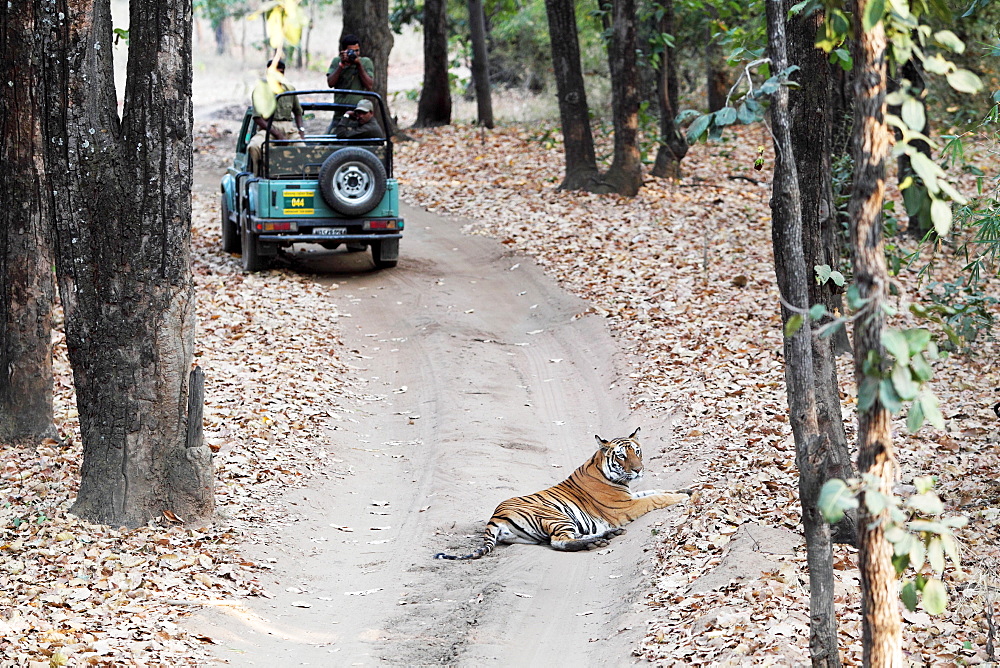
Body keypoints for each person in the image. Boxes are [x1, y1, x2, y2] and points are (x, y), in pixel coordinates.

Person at [247, 59, 305, 176]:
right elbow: (257, 118)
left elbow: (298, 112)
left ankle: (301, 177)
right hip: (268, 128)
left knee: (303, 150)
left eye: (281, 73)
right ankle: (257, 176)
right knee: (254, 146)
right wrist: (277, 134)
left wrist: (301, 131)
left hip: (289, 128)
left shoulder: (290, 90)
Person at [326, 34, 375, 108]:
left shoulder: (365, 62)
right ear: (343, 51)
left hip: (358, 110)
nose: (354, 54)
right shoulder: (337, 61)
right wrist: (341, 65)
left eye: (357, 51)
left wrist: (359, 65)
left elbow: (369, 85)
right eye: (351, 51)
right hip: (339, 107)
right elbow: (330, 83)